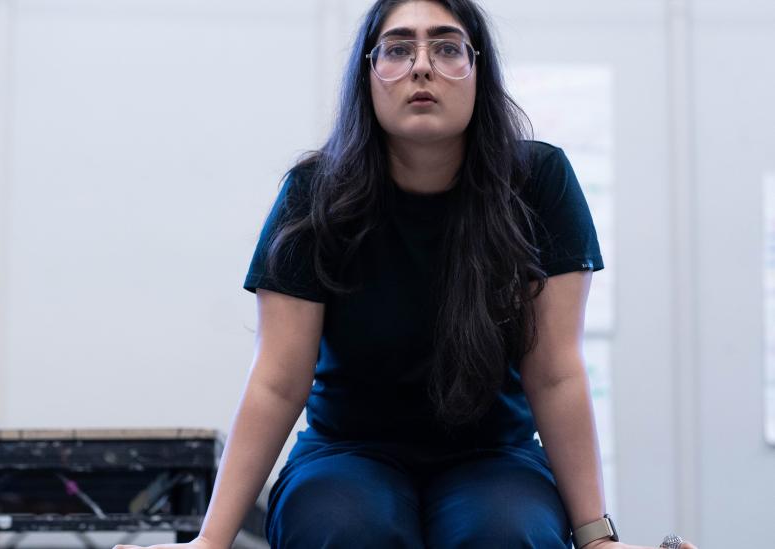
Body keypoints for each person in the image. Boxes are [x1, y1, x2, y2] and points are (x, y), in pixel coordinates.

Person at [115, 1, 700, 548]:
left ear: (478, 71)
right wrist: (211, 541)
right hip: (346, 452)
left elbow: (555, 375)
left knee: (507, 530)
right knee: (343, 525)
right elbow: (277, 380)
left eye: (447, 48)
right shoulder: (313, 194)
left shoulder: (538, 180)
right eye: (397, 49)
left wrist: (597, 538)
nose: (422, 66)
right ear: (368, 76)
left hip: (495, 456)